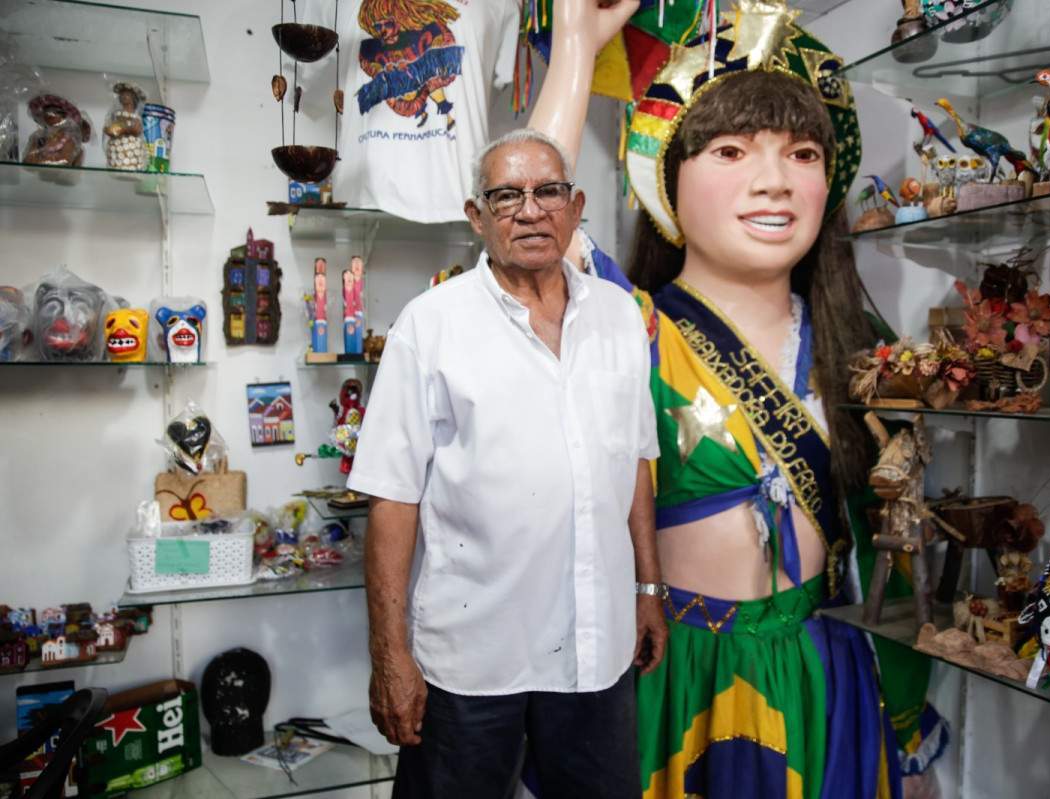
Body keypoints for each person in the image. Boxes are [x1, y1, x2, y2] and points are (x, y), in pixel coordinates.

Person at [528, 1, 948, 796]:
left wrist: (903, 719)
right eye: (729, 149)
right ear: (667, 181)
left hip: (823, 665)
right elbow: (531, 215)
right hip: (672, 668)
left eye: (802, 154)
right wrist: (576, 50)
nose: (774, 182)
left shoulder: (862, 342)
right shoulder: (630, 325)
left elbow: (897, 540)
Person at [347, 126, 668, 799]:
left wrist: (647, 589)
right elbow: (392, 496)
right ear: (477, 216)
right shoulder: (430, 325)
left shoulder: (619, 315)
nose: (530, 210)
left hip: (595, 650)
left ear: (575, 207)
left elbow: (635, 458)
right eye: (506, 195)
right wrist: (390, 655)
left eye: (548, 191)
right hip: (472, 659)